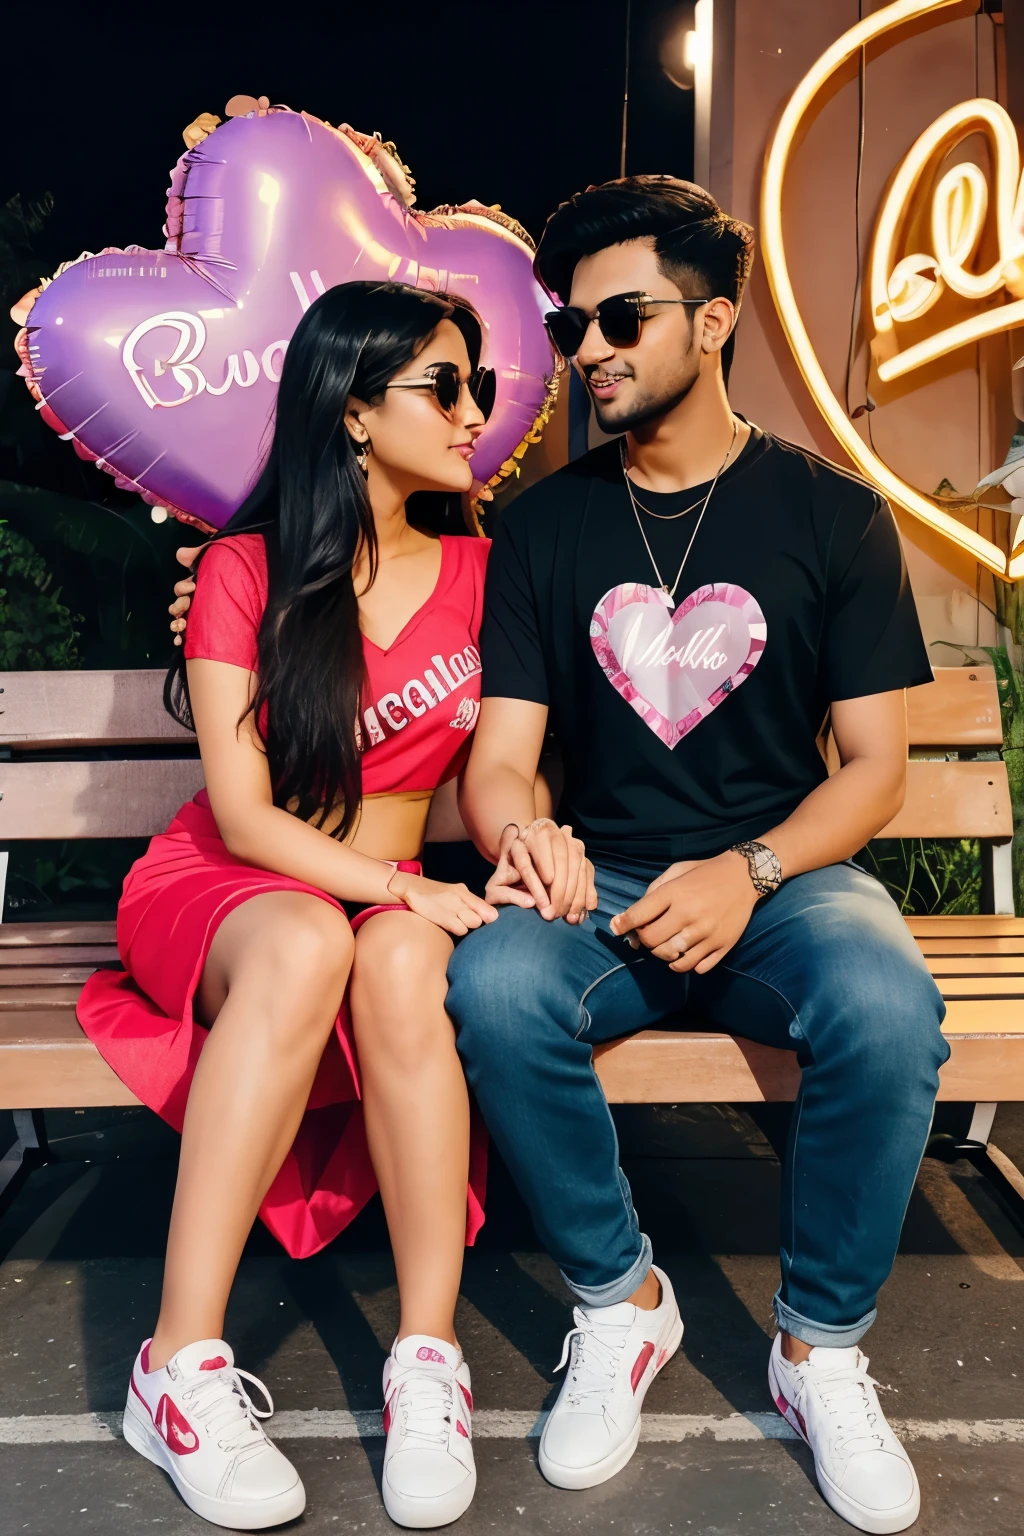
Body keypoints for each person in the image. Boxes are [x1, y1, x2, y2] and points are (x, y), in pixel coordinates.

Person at [440, 177, 947, 1535]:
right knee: (493, 989)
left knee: (891, 1009)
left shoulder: (832, 517)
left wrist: (753, 875)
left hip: (786, 879)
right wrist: (522, 831)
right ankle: (624, 1305)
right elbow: (500, 758)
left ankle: (816, 1347)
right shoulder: (546, 528)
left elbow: (878, 771)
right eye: (569, 322)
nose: (587, 346)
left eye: (622, 314)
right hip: (601, 878)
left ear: (714, 320)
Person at [78, 279, 594, 1532]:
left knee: (407, 966)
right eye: (445, 386)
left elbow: (492, 779)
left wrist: (527, 837)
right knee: (317, 940)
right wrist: (398, 886)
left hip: (394, 897)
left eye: (478, 382)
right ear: (354, 411)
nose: (477, 411)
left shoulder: (489, 570)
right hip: (233, 887)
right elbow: (248, 819)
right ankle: (179, 1365)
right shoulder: (245, 573)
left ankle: (427, 1360)